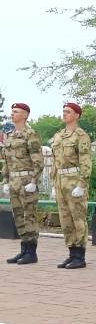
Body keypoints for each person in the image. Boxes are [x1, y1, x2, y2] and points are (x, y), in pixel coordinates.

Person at [51, 103, 92, 269]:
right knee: (65, 219)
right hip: (61, 180)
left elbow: (86, 161)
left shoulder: (81, 135)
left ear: (77, 115)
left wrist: (82, 184)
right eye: (63, 111)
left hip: (74, 180)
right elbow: (55, 161)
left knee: (78, 218)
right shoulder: (59, 135)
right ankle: (71, 253)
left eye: (68, 112)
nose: (64, 114)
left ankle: (80, 256)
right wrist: (54, 183)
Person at [1, 103, 43, 264]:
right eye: (12, 111)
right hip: (14, 180)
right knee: (18, 216)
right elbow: (7, 160)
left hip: (26, 181)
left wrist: (34, 181)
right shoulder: (10, 135)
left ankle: (31, 252)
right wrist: (5, 180)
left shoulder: (30, 134)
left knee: (29, 216)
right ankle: (23, 249)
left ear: (25, 115)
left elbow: (38, 160)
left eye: (16, 111)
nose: (13, 114)